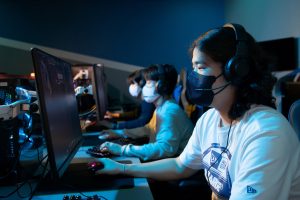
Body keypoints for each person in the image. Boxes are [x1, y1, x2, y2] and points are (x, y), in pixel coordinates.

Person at [92, 23, 300, 199]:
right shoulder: (210, 119)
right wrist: (123, 168)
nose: (193, 76)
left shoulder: (266, 132)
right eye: (193, 68)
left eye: (201, 67)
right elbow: (181, 165)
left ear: (236, 71)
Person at [98, 64, 194, 161]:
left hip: (177, 167)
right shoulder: (161, 107)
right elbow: (148, 129)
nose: (144, 88)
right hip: (168, 162)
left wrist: (122, 150)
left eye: (148, 83)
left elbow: (165, 149)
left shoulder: (169, 112)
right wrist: (120, 133)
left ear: (161, 86)